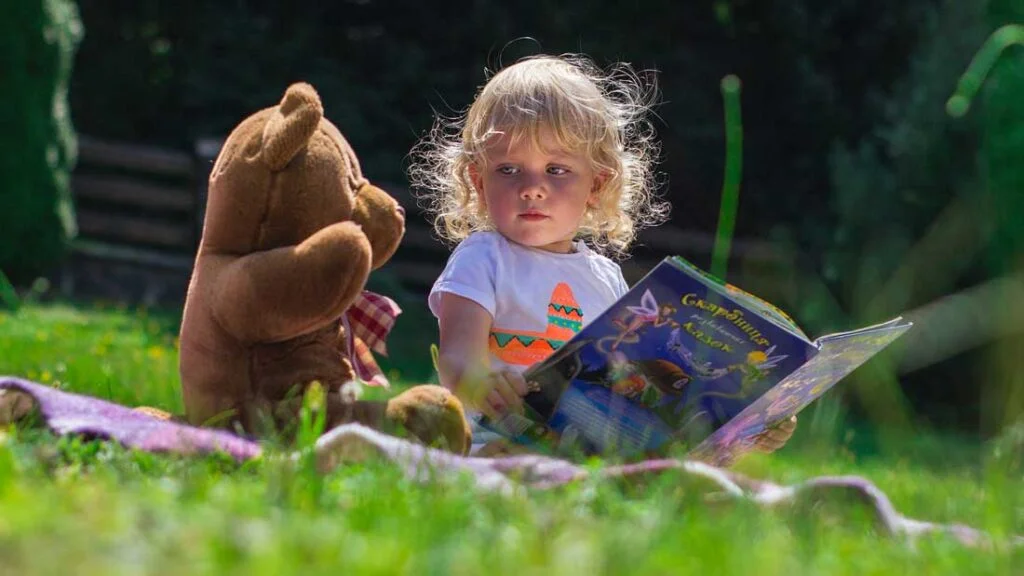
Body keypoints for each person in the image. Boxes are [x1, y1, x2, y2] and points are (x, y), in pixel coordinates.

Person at [409, 53, 795, 459]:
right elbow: (456, 360)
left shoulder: (606, 277)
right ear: (478, 180)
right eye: (508, 169)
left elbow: (632, 382)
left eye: (556, 170)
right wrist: (482, 381)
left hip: (591, 452)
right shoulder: (483, 257)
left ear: (597, 184)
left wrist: (748, 422)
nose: (532, 188)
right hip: (500, 440)